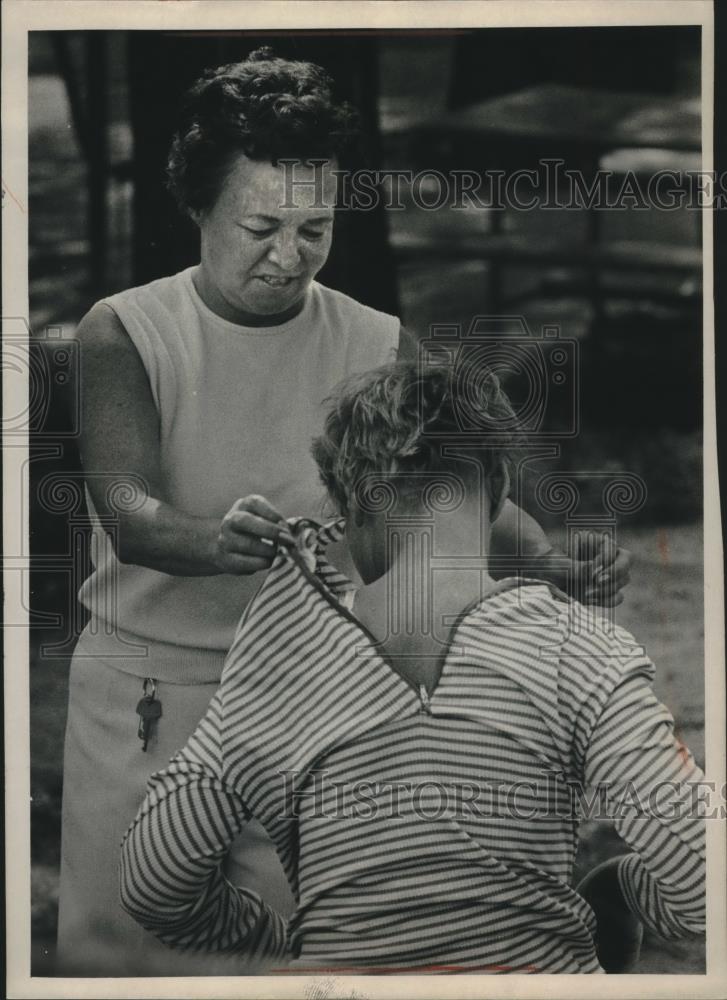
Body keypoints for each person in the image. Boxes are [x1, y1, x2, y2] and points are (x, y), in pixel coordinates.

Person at [58, 49, 629, 975]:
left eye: (313, 227)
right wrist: (212, 539)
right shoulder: (124, 332)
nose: (288, 256)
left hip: (313, 705)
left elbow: (469, 512)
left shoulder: (374, 340)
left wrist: (555, 564)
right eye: (261, 225)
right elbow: (123, 508)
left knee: (304, 957)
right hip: (145, 705)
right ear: (198, 204)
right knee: (138, 956)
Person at [119, 360, 705, 973]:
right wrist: (617, 891)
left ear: (353, 501)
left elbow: (154, 881)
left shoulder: (283, 663)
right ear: (500, 485)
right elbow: (702, 876)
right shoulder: (575, 646)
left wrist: (286, 944)